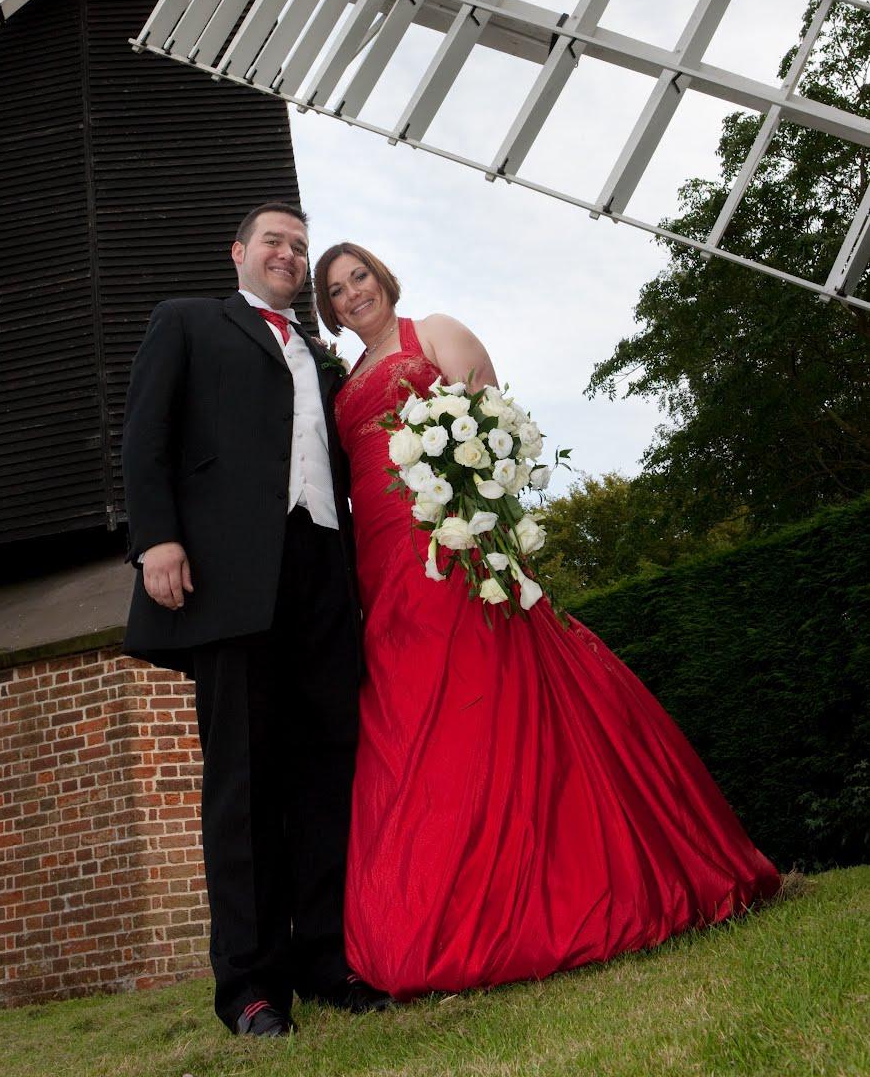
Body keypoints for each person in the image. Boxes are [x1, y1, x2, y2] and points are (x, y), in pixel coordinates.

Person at [314, 240, 781, 998]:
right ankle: (424, 901)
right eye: (335, 290)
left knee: (487, 689)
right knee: (407, 709)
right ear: (329, 309)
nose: (352, 294)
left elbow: (493, 428)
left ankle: (542, 886)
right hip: (380, 561)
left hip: (451, 542)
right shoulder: (342, 385)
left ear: (383, 277)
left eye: (358, 276)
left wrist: (478, 523)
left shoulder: (434, 333)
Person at [121, 203, 390, 1036]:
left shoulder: (320, 355)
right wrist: (157, 538)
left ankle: (327, 962)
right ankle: (250, 987)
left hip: (324, 574)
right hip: (233, 579)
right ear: (238, 252)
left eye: (299, 247)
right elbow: (145, 433)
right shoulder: (188, 321)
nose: (289, 254)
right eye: (274, 240)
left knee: (326, 778)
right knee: (243, 785)